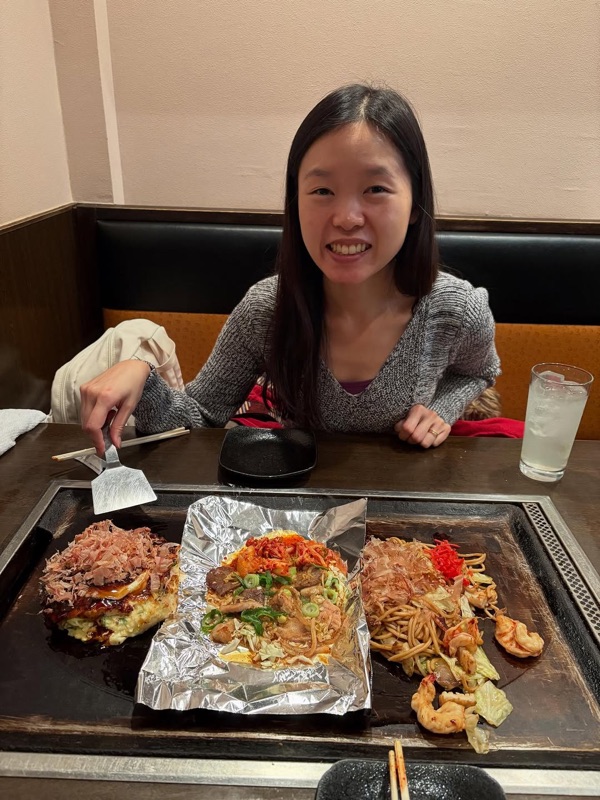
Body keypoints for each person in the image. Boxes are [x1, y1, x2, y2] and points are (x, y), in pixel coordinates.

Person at [80, 83, 500, 454]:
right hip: (297, 518)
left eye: (375, 189)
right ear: (295, 203)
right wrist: (143, 376)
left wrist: (442, 409)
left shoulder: (456, 309)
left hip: (409, 513)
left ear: (414, 205)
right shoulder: (267, 309)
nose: (347, 217)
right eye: (322, 190)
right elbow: (201, 414)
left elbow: (479, 371)